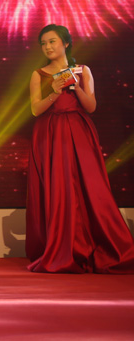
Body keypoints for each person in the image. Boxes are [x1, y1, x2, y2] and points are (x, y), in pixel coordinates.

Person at [26, 24, 134, 273]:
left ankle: (95, 245)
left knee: (91, 186)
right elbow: (35, 110)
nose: (47, 47)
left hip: (79, 130)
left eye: (52, 41)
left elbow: (91, 106)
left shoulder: (83, 70)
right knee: (59, 187)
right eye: (43, 43)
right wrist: (54, 91)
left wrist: (76, 86)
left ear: (65, 43)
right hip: (51, 133)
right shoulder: (38, 74)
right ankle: (62, 248)